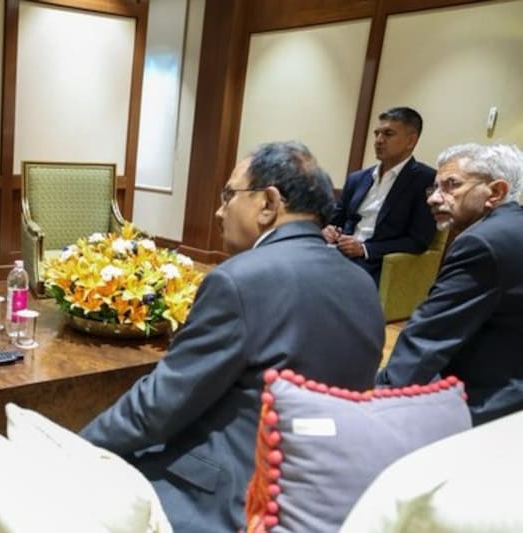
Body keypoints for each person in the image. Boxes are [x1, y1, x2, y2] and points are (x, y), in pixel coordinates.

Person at [79, 141, 385, 531]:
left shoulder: (241, 280)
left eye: (229, 195)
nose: (219, 211)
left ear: (269, 204)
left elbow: (158, 407)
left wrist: (76, 447)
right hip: (323, 488)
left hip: (233, 497)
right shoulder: (362, 282)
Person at [377, 143, 523, 426]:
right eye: (433, 188)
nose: (433, 199)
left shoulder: (481, 242)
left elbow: (429, 336)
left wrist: (379, 398)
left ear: (496, 192)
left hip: (489, 401)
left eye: (451, 185)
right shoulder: (513, 227)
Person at [324, 107, 437, 284]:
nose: (378, 140)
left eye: (388, 134)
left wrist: (365, 249)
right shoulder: (358, 178)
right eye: (376, 134)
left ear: (411, 140)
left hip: (377, 263)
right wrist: (329, 230)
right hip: (338, 252)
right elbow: (336, 219)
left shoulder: (425, 180)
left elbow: (418, 241)